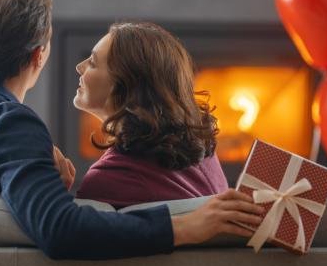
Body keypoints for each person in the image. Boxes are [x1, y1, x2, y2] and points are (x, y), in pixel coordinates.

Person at [0, 0, 263, 260]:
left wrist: (37, 181)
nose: (78, 67)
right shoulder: (14, 125)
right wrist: (181, 226)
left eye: (92, 61)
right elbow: (59, 227)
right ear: (39, 55)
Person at [74, 22, 228, 208]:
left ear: (125, 84)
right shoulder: (204, 155)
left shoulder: (105, 180)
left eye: (92, 63)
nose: (79, 67)